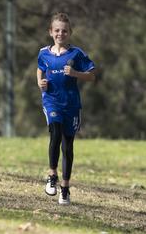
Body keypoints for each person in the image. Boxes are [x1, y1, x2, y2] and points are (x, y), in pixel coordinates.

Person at [36, 12, 95, 205]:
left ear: (70, 33)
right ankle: (52, 175)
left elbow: (92, 75)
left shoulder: (76, 54)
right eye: (57, 30)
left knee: (67, 145)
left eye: (64, 31)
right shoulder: (44, 53)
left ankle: (65, 187)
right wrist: (40, 82)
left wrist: (76, 73)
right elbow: (39, 68)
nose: (60, 34)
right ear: (50, 32)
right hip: (51, 100)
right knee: (55, 132)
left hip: (71, 104)